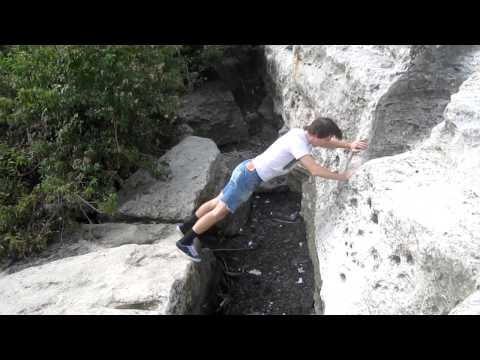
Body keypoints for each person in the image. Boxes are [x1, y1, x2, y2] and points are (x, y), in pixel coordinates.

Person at [175, 117, 368, 262]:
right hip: (248, 177)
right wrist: (342, 176)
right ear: (316, 135)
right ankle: (186, 242)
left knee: (217, 201)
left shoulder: (301, 134)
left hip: (246, 170)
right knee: (219, 211)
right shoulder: (298, 143)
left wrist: (348, 145)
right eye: (325, 139)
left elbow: (327, 143)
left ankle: (185, 226)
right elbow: (315, 170)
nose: (326, 142)